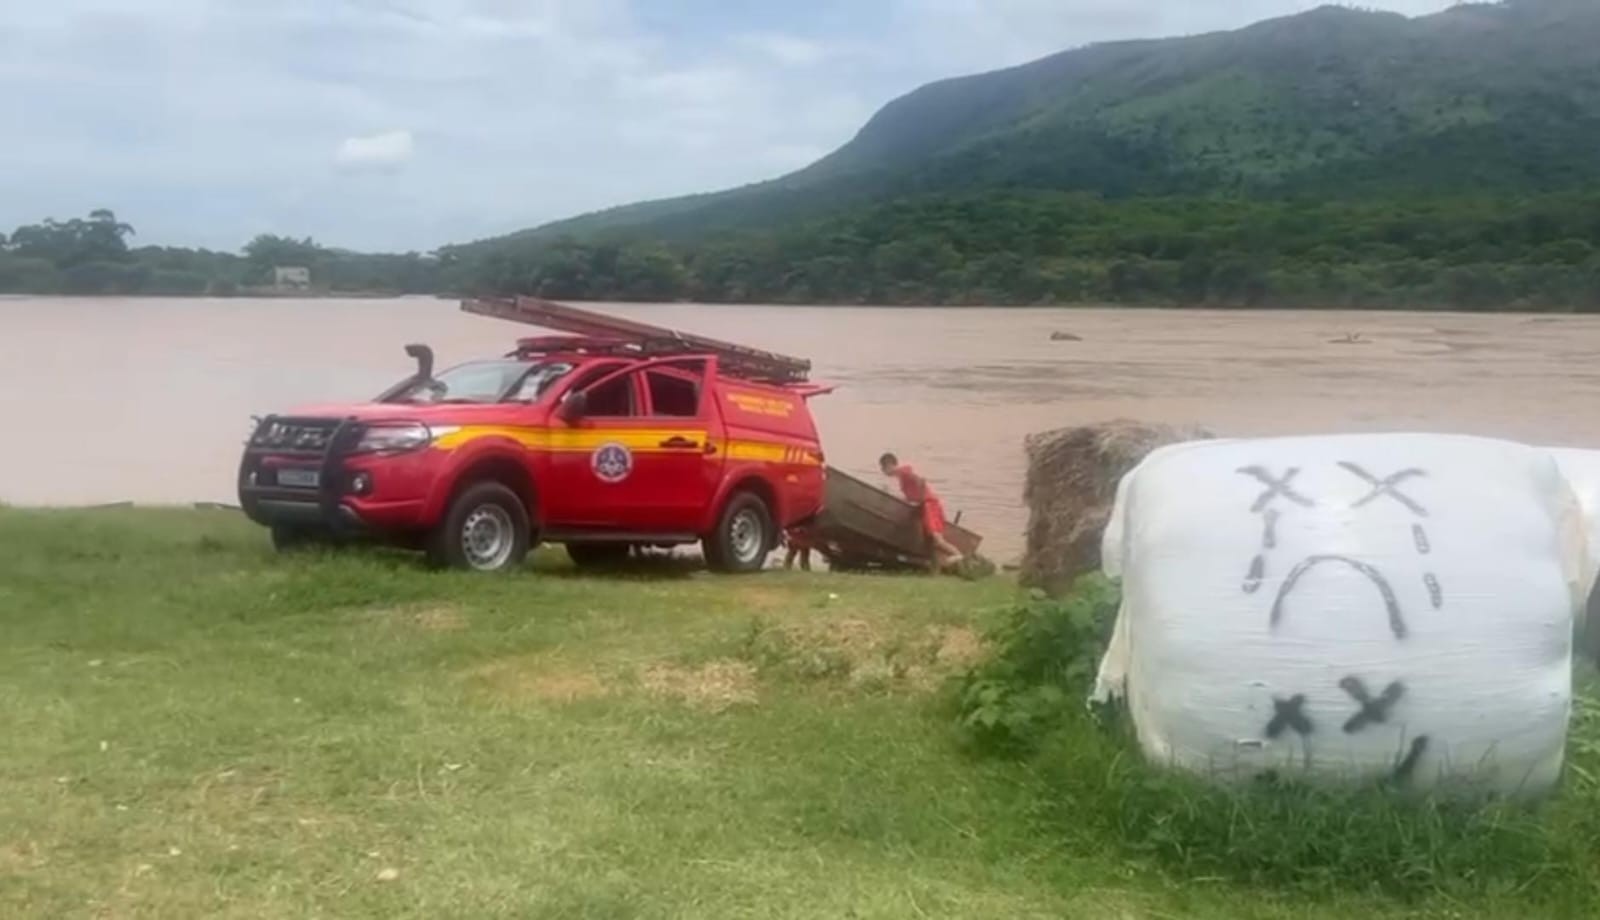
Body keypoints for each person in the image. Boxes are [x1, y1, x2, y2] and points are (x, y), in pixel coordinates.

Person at [879, 452, 964, 572]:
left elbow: (920, 480)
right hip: (924, 506)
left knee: (937, 539)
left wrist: (922, 497)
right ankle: (949, 562)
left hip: (929, 505)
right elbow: (911, 495)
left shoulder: (903, 471)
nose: (883, 471)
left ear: (890, 465)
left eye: (883, 468)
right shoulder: (902, 478)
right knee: (933, 540)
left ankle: (958, 556)